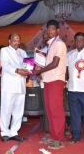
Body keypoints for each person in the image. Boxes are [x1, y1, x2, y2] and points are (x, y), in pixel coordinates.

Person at [32, 20, 67, 149]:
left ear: (57, 30)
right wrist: (40, 73)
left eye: (53, 29)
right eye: (49, 29)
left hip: (56, 80)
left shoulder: (59, 44)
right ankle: (53, 134)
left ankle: (59, 138)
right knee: (49, 109)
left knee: (56, 109)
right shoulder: (50, 44)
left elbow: (55, 64)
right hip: (48, 80)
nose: (50, 31)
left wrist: (38, 71)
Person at [0, 32, 28, 142]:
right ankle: (5, 132)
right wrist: (17, 71)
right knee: (6, 110)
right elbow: (5, 65)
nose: (17, 42)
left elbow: (27, 65)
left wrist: (29, 70)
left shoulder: (22, 52)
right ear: (9, 41)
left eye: (18, 40)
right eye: (14, 40)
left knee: (18, 111)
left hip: (21, 85)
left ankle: (14, 132)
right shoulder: (4, 50)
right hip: (9, 85)